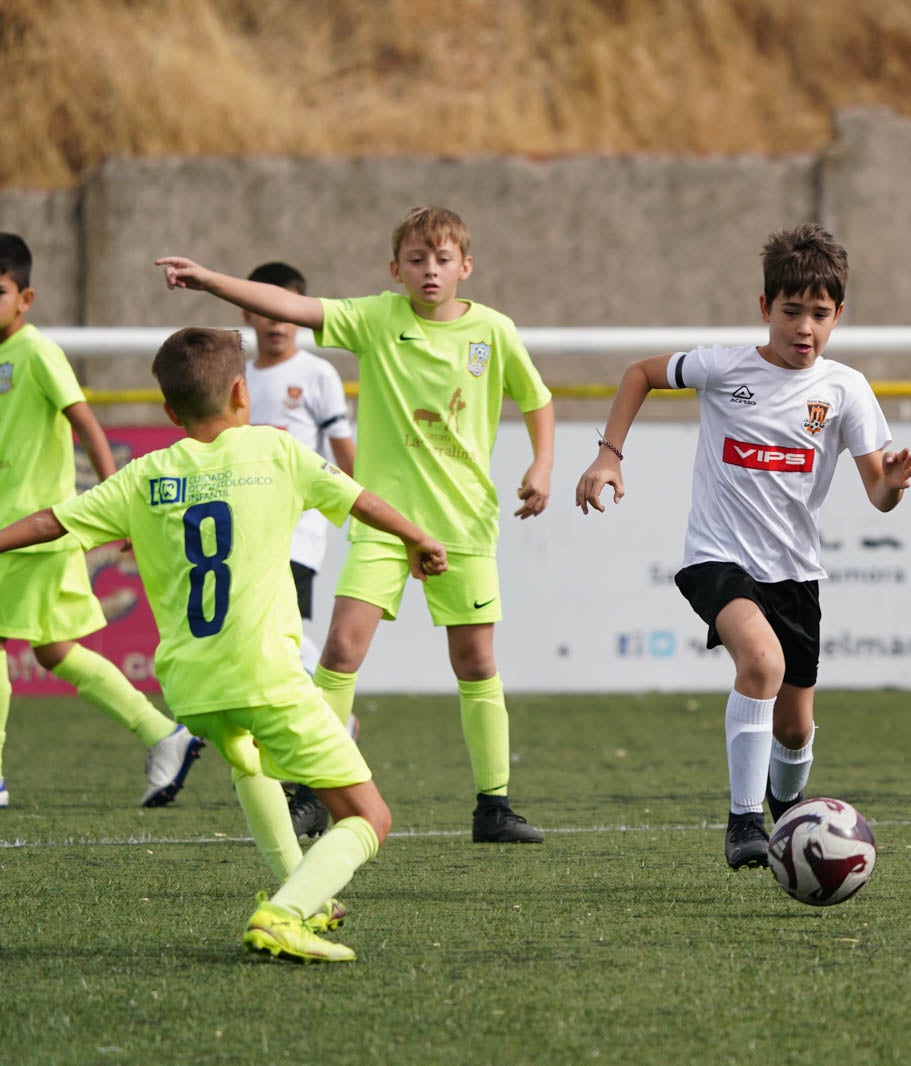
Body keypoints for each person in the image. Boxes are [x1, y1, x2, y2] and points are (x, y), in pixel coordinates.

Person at [0, 326, 447, 962]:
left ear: (168, 412)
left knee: (247, 758)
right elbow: (362, 499)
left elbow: (52, 523)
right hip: (266, 676)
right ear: (243, 391)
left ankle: (305, 896)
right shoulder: (277, 451)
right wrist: (418, 538)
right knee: (369, 818)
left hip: (191, 689)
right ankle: (286, 913)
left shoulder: (145, 475)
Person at [156, 205, 555, 843]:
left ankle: (494, 806)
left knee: (476, 662)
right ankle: (312, 791)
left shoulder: (494, 332)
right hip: (385, 524)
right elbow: (289, 305)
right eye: (418, 260)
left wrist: (542, 464)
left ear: (466, 267)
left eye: (444, 259)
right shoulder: (376, 319)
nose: (430, 271)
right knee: (341, 650)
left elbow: (536, 398)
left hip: (464, 523)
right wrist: (210, 280)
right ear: (395, 270)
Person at [575, 223, 911, 869]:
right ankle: (740, 824)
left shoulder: (845, 390)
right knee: (759, 664)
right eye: (791, 312)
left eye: (819, 314)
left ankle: (786, 813)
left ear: (838, 314)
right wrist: (607, 456)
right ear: (765, 309)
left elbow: (877, 493)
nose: (804, 328)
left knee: (793, 731)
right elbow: (638, 374)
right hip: (716, 558)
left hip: (795, 573)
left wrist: (892, 486)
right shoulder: (722, 366)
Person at [0, 232, 203, 810]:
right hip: (15, 531)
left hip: (36, 528)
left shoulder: (37, 352)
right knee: (53, 650)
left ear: (26, 298)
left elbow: (86, 424)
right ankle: (162, 731)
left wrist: (115, 501)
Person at [241, 261, 357, 840]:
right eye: (264, 308)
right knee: (270, 637)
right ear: (247, 314)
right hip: (247, 533)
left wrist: (363, 517)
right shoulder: (237, 377)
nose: (275, 321)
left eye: (286, 308)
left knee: (276, 633)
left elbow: (343, 452)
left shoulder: (318, 375)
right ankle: (337, 719)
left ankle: (335, 726)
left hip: (300, 530)